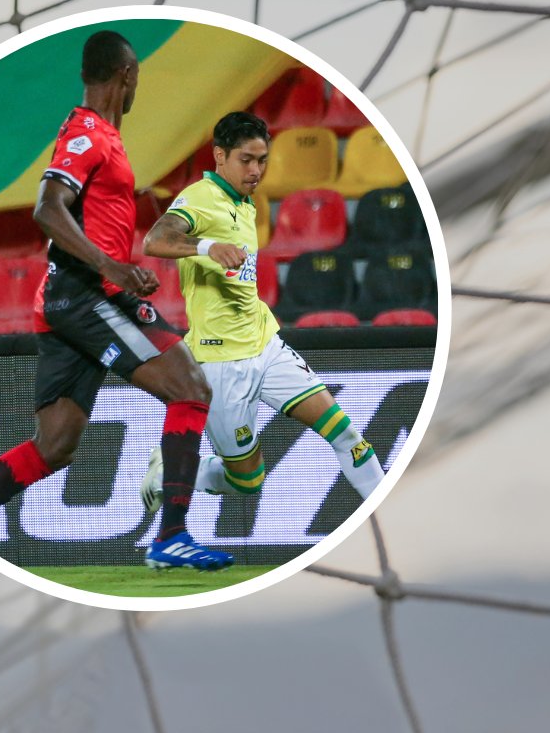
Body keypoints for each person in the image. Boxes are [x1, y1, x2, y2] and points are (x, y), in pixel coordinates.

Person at [0, 30, 234, 572]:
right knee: (191, 389)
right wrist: (110, 266)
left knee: (53, 447)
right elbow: (47, 208)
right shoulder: (88, 134)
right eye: (136, 79)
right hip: (89, 295)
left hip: (70, 298)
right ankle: (172, 536)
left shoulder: (100, 136)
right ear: (127, 75)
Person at [139, 110, 385, 521]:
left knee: (348, 437)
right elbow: (155, 239)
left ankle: (387, 519)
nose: (256, 170)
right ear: (220, 156)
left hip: (266, 347)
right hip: (220, 364)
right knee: (248, 482)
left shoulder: (244, 201)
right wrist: (207, 247)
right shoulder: (201, 198)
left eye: (262, 160)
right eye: (246, 160)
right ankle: (176, 468)